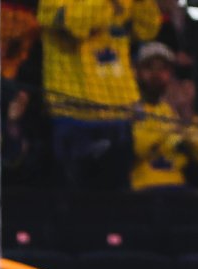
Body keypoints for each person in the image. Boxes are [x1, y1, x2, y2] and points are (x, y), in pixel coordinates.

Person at [42, 0, 163, 188]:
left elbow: (148, 29)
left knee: (117, 207)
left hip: (118, 115)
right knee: (77, 206)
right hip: (74, 116)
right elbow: (75, 25)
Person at [130, 42, 198, 190]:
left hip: (177, 187)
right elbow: (138, 147)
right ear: (137, 71)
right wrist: (171, 129)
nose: (156, 74)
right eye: (149, 67)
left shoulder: (176, 110)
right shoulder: (131, 106)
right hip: (143, 188)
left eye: (163, 68)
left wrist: (186, 116)